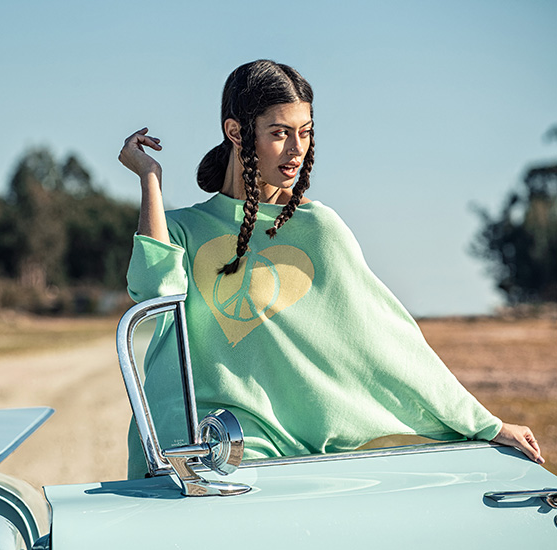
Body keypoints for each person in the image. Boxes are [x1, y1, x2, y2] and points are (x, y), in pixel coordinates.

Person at [119, 59, 543, 478]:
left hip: (266, 456)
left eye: (305, 132)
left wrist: (485, 423)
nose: (296, 149)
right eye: (279, 133)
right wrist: (150, 179)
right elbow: (154, 294)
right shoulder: (181, 229)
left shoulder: (319, 229)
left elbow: (389, 339)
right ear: (236, 132)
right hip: (180, 444)